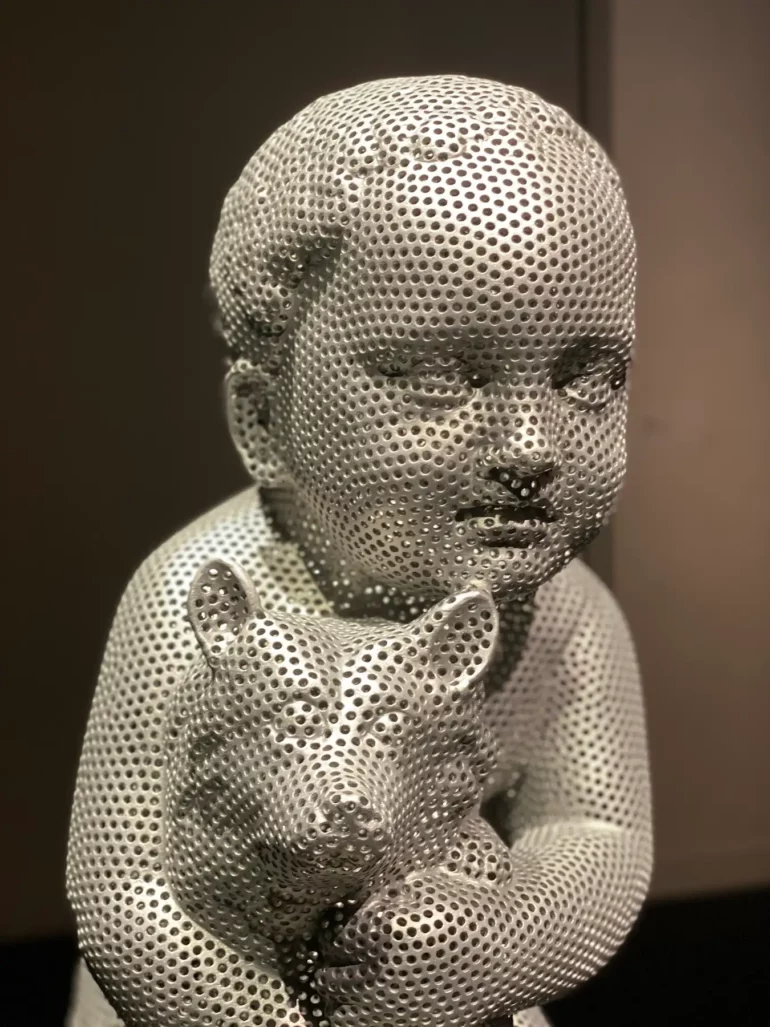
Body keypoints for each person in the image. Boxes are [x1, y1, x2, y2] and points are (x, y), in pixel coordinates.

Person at [67, 75, 652, 1027]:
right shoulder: (197, 598)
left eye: (587, 379)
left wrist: (497, 942)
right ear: (265, 418)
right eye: (436, 378)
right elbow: (128, 891)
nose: (530, 448)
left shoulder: (565, 618)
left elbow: (595, 826)